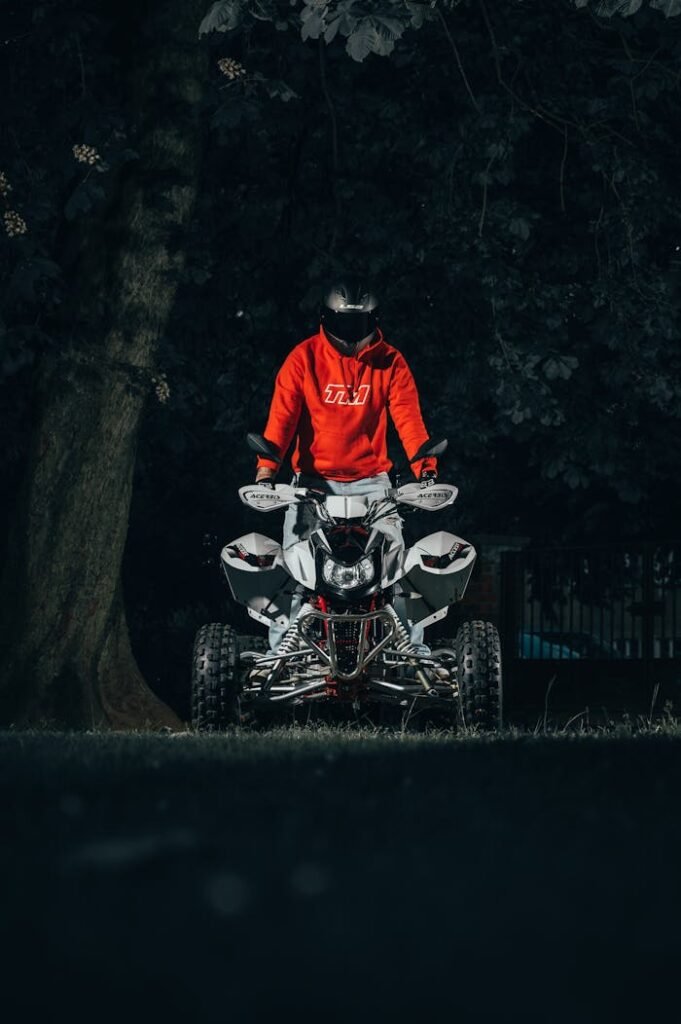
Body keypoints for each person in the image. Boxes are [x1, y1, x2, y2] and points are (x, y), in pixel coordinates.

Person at [254, 279, 438, 652]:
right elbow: (282, 419)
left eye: (360, 324)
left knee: (397, 573)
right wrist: (266, 471)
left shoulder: (390, 361)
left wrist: (426, 471)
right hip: (312, 484)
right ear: (326, 319)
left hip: (373, 485)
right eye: (344, 324)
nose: (351, 335)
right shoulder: (303, 358)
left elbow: (409, 420)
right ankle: (280, 658)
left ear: (373, 320)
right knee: (294, 573)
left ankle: (413, 658)